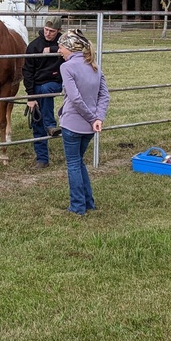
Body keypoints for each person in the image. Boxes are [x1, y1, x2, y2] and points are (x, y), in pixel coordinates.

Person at [57, 28, 109, 216]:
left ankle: (77, 206)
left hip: (72, 124)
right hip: (89, 128)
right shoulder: (93, 65)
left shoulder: (67, 67)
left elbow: (75, 98)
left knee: (73, 164)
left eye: (61, 47)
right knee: (79, 162)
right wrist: (97, 118)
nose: (59, 51)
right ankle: (88, 202)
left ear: (70, 47)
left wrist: (91, 117)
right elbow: (105, 95)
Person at [22, 16, 63, 168]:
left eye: (52, 31)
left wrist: (52, 50)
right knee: (36, 117)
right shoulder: (33, 46)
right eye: (46, 30)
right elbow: (27, 72)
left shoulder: (65, 42)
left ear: (58, 31)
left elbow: (81, 48)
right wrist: (31, 97)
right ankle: (42, 158)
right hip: (38, 86)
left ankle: (50, 124)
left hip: (58, 82)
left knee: (45, 89)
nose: (48, 34)